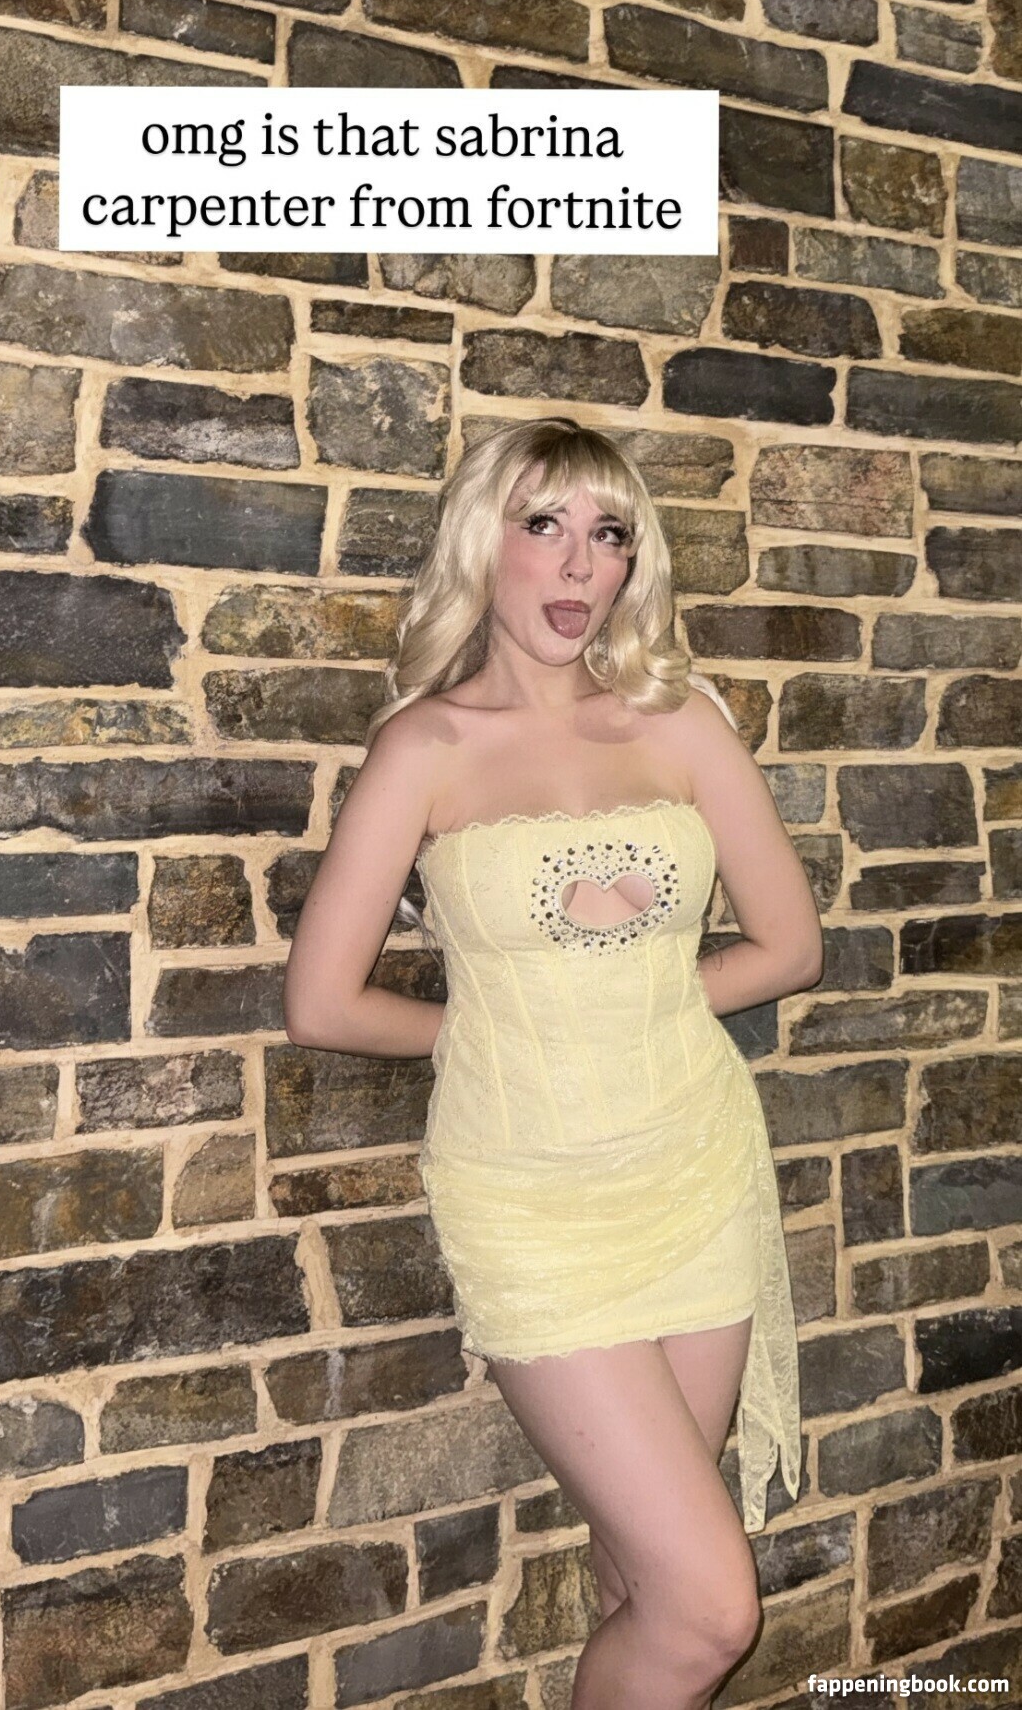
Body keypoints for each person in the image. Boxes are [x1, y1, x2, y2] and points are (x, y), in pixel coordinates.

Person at [284, 417, 824, 1709]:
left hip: (693, 1172)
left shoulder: (680, 725)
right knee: (714, 1607)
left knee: (647, 1582)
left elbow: (791, 947)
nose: (581, 565)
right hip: (530, 1198)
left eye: (610, 534)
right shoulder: (425, 749)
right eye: (545, 526)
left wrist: (630, 1006)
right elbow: (322, 1002)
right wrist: (497, 1028)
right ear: (485, 543)